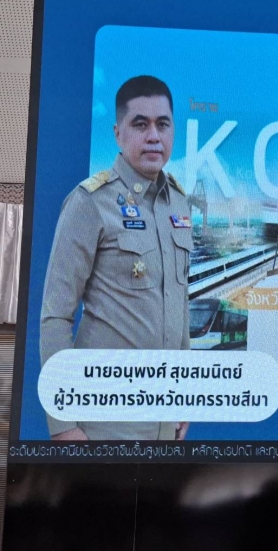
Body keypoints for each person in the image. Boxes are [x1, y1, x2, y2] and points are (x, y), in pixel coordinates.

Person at [40, 75, 193, 441]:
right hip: (102, 426)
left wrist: (185, 396)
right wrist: (63, 423)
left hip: (164, 426)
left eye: (163, 124)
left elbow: (179, 309)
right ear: (118, 133)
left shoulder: (179, 203)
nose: (153, 136)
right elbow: (55, 316)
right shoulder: (90, 202)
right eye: (140, 124)